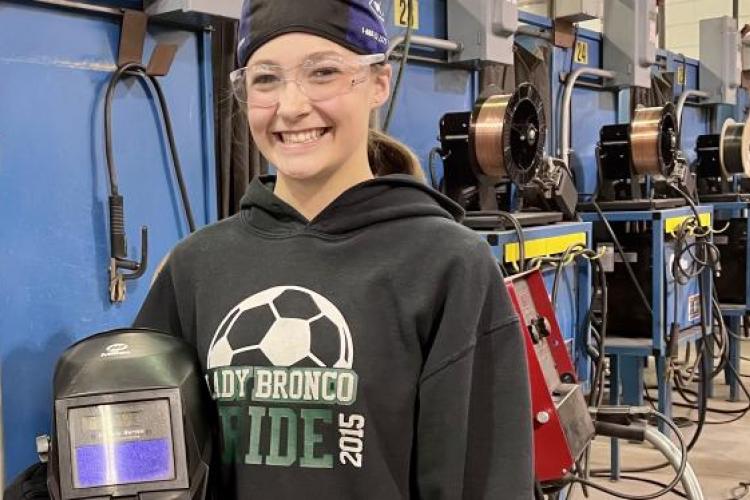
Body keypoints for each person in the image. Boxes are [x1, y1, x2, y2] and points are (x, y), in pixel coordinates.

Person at [134, 0, 533, 498]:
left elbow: (485, 480)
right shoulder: (195, 267)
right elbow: (150, 456)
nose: (292, 106)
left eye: (323, 72)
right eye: (265, 79)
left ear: (378, 82)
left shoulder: (448, 266)